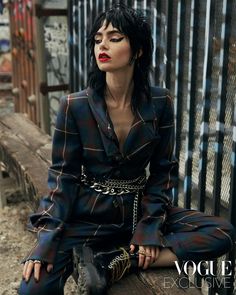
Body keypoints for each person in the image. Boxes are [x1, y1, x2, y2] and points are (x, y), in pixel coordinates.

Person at [19, 4, 235, 295]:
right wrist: (45, 242)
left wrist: (149, 229)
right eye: (97, 39)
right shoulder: (75, 106)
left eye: (115, 37)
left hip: (137, 211)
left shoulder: (161, 103)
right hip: (87, 214)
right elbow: (63, 177)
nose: (102, 45)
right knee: (33, 289)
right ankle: (110, 257)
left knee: (222, 233)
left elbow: (162, 173)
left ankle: (120, 260)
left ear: (138, 51)